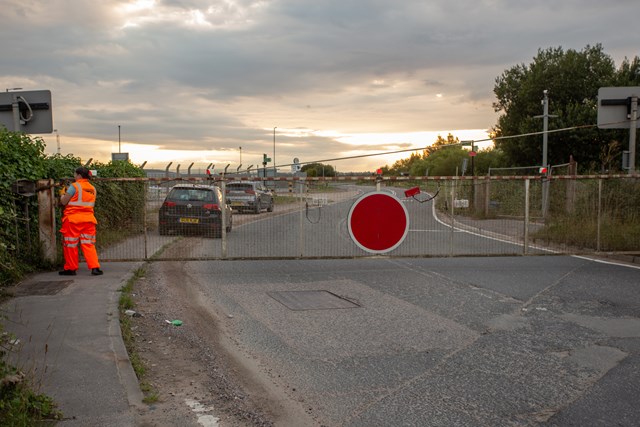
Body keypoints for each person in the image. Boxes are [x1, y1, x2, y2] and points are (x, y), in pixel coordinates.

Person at [58, 167, 103, 276]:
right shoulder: (93, 188)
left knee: (70, 245)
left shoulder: (74, 187)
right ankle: (95, 268)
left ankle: (71, 268)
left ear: (79, 175)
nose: (74, 176)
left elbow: (64, 202)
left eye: (75, 174)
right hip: (89, 220)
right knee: (89, 244)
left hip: (73, 220)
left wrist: (62, 194)